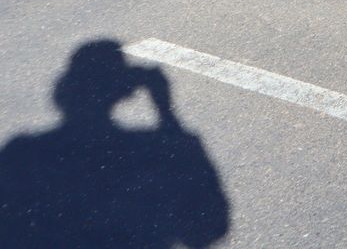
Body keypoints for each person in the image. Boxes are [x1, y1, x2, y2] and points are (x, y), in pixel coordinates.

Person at [0, 40, 230, 247]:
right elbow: (208, 228)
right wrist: (166, 113)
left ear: (66, 90)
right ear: (124, 90)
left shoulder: (24, 152)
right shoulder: (154, 151)